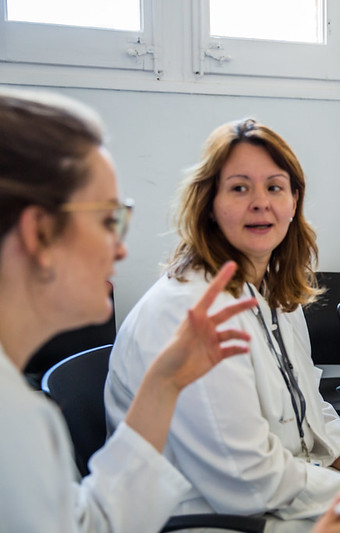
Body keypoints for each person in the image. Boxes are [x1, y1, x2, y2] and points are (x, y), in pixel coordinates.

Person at [104, 117, 340, 522]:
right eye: (239, 188)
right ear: (209, 204)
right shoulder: (188, 311)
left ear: (294, 201)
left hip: (285, 496)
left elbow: (311, 408)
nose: (260, 202)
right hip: (215, 518)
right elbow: (248, 479)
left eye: (274, 187)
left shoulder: (274, 293)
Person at [0, 89, 259, 531]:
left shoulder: (18, 409)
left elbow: (90, 525)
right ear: (39, 234)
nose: (120, 249)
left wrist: (163, 384)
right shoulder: (12, 424)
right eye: (108, 220)